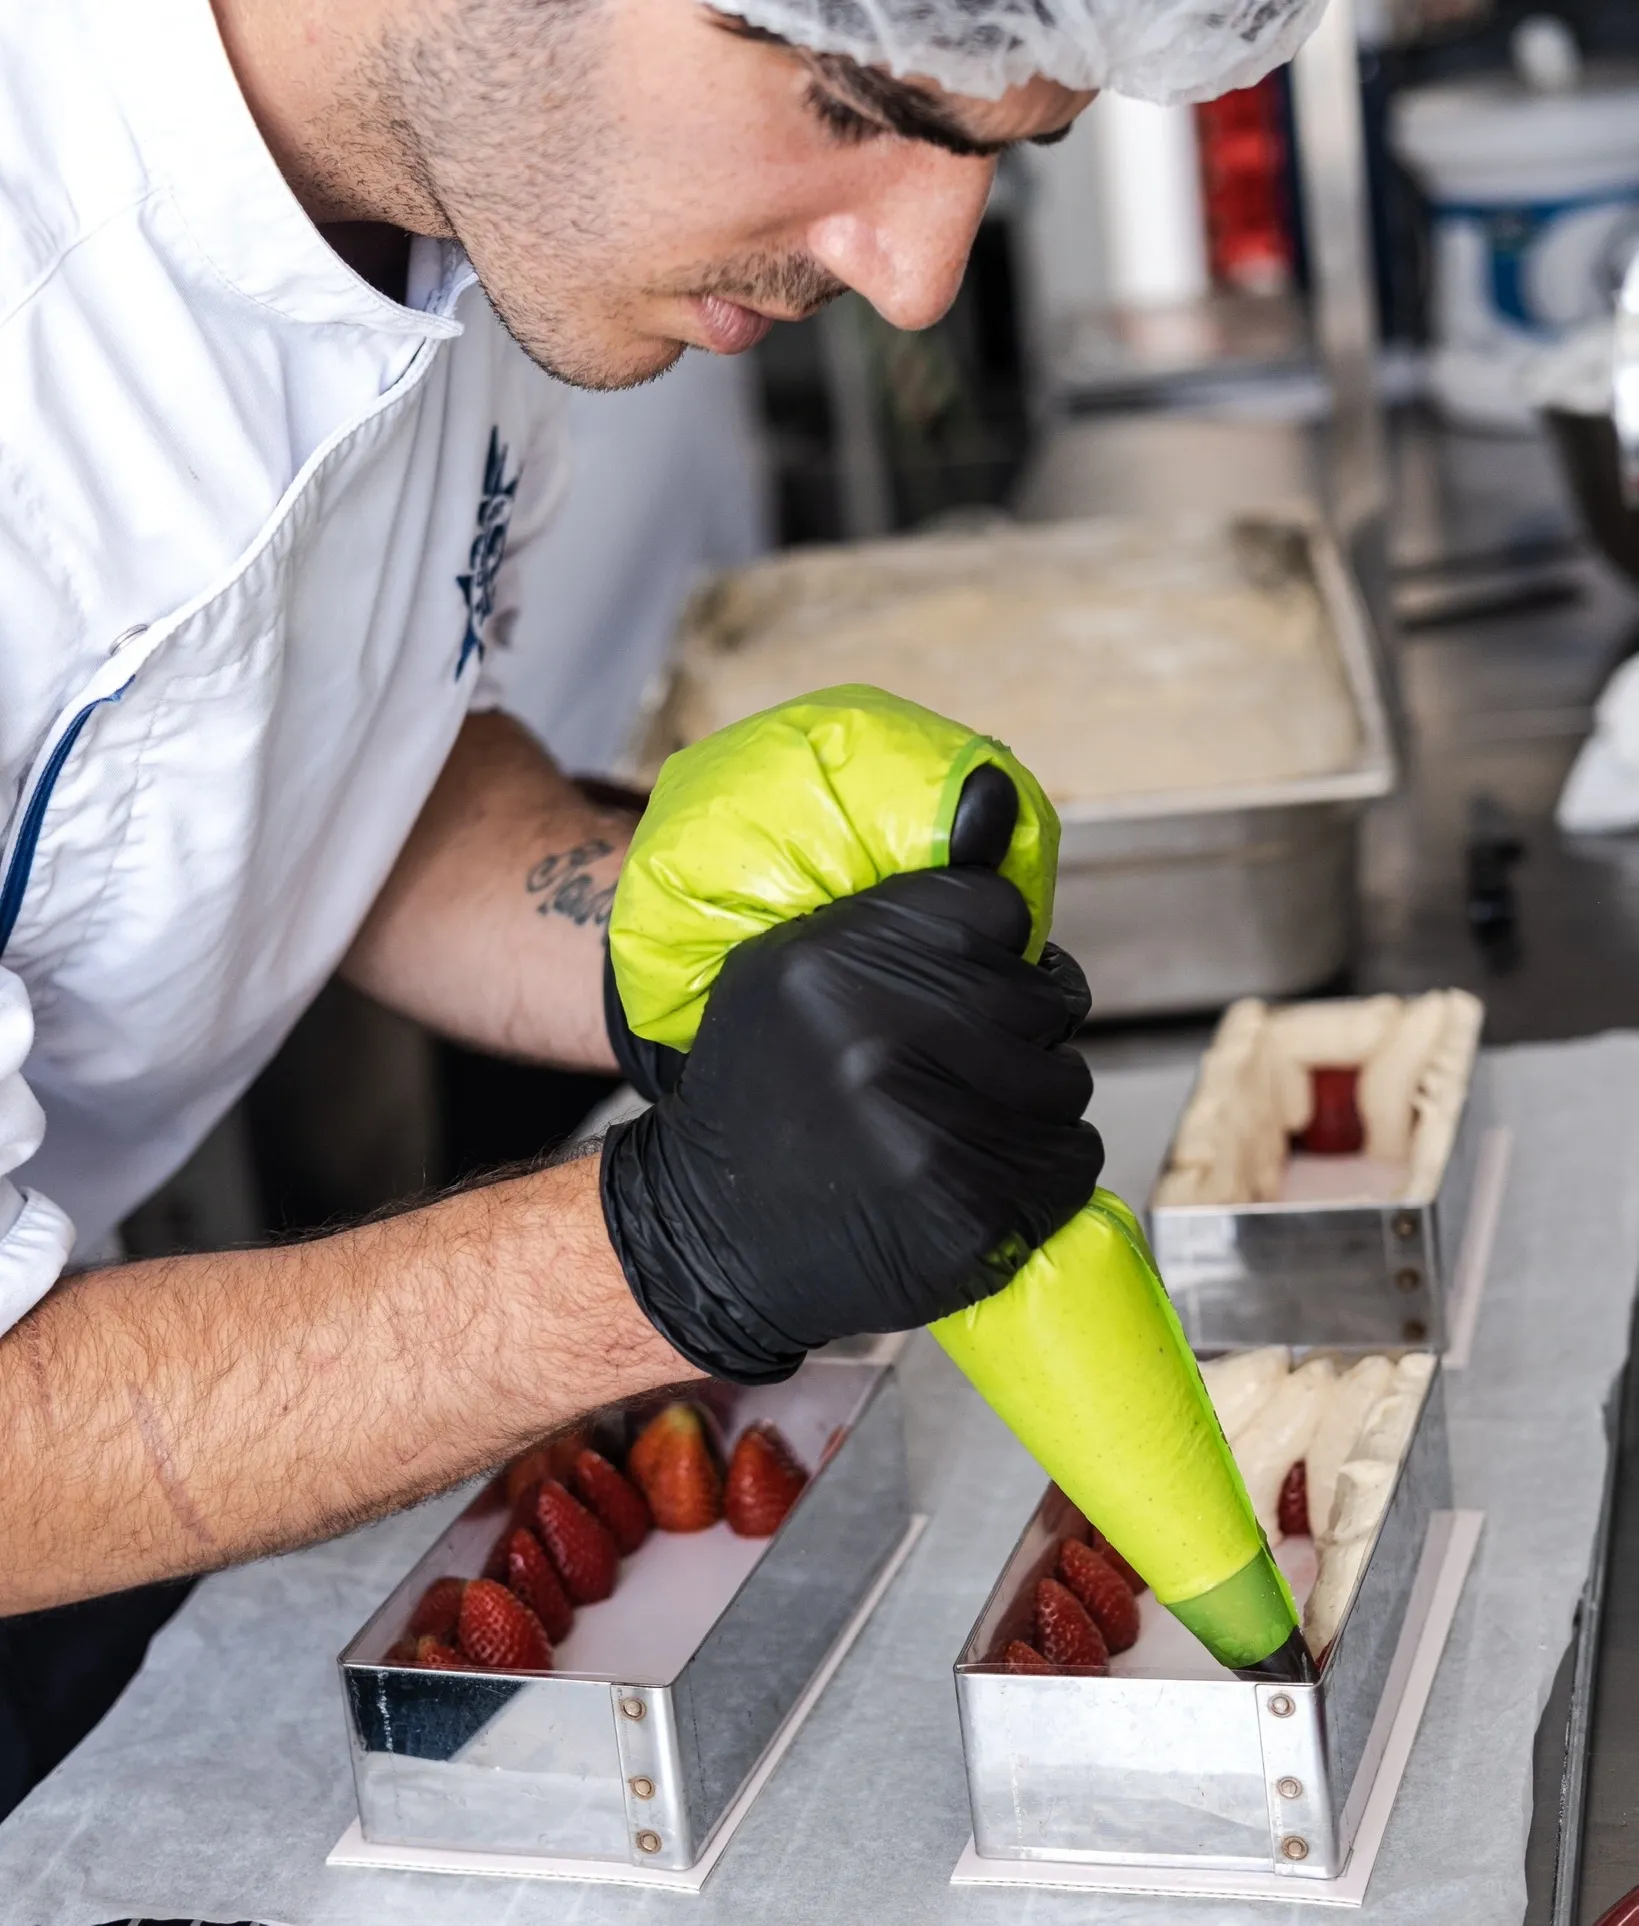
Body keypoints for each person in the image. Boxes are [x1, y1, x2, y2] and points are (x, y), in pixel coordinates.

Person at [0, 0, 1325, 1811]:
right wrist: (666, 1246)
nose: (918, 281)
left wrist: (690, 939)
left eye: (1009, 155)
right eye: (851, 105)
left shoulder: (463, 201)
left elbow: (306, 770)